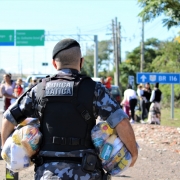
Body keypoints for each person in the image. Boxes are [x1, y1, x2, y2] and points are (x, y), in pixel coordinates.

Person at [1, 38, 138, 180]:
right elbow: (121, 121)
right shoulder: (94, 90)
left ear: (54, 63)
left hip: (47, 173)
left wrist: (8, 151)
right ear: (81, 62)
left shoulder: (39, 90)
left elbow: (8, 118)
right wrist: (133, 154)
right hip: (86, 172)